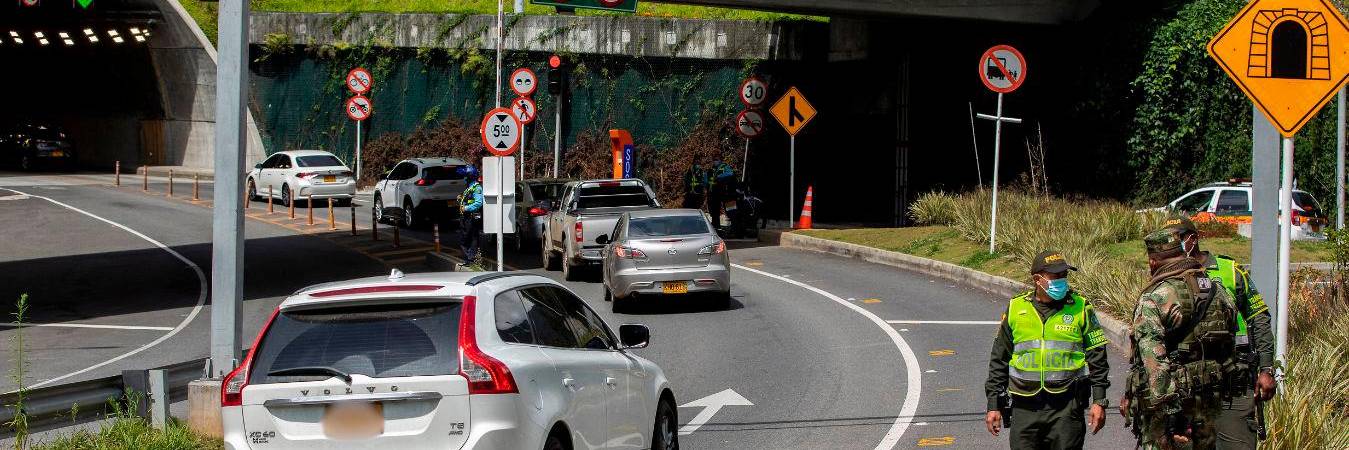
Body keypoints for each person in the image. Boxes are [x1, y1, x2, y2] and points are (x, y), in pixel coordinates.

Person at [1122, 226, 1240, 450]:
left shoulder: (1157, 296)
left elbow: (1153, 359)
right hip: (1208, 403)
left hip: (1171, 412)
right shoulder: (1216, 290)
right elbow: (1229, 337)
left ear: (1153, 262)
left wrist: (1171, 416)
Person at [1164, 217, 1276, 449]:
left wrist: (1266, 368)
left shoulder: (1229, 270)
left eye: (1176, 240)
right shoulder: (1167, 277)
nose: (1170, 246)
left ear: (1192, 239)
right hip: (1188, 383)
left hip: (1233, 380)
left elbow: (1259, 317)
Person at [984, 250, 1110, 450]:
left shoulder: (1081, 307)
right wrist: (993, 404)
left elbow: (1098, 357)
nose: (1062, 280)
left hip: (1067, 408)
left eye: (1064, 275)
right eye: (1055, 276)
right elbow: (999, 359)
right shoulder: (1016, 308)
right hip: (1024, 408)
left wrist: (1099, 400)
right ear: (1037, 279)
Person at [457, 165, 484, 264]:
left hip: (471, 217)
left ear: (470, 176)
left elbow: (478, 203)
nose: (465, 178)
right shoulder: (470, 187)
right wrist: (461, 198)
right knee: (466, 238)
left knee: (469, 238)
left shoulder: (476, 188)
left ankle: (470, 259)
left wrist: (466, 208)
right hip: (466, 217)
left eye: (466, 176)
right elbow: (470, 199)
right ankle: (469, 258)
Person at [707, 159, 736, 229]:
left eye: (716, 160)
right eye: (714, 160)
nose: (714, 162)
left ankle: (735, 228)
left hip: (726, 193)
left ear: (720, 161)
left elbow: (730, 173)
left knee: (731, 210)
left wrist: (719, 177)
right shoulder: (712, 170)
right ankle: (716, 226)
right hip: (715, 193)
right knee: (715, 211)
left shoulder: (725, 166)